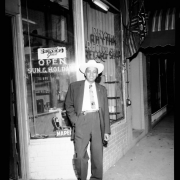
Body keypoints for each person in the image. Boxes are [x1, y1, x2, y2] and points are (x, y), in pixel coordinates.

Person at [65, 59, 111, 180]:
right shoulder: (74, 86)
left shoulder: (102, 89)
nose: (91, 74)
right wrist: (75, 120)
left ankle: (96, 178)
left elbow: (105, 110)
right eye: (89, 71)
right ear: (85, 73)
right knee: (80, 156)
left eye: (94, 72)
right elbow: (68, 105)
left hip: (97, 121)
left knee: (97, 155)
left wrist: (106, 131)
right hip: (82, 121)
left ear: (97, 74)